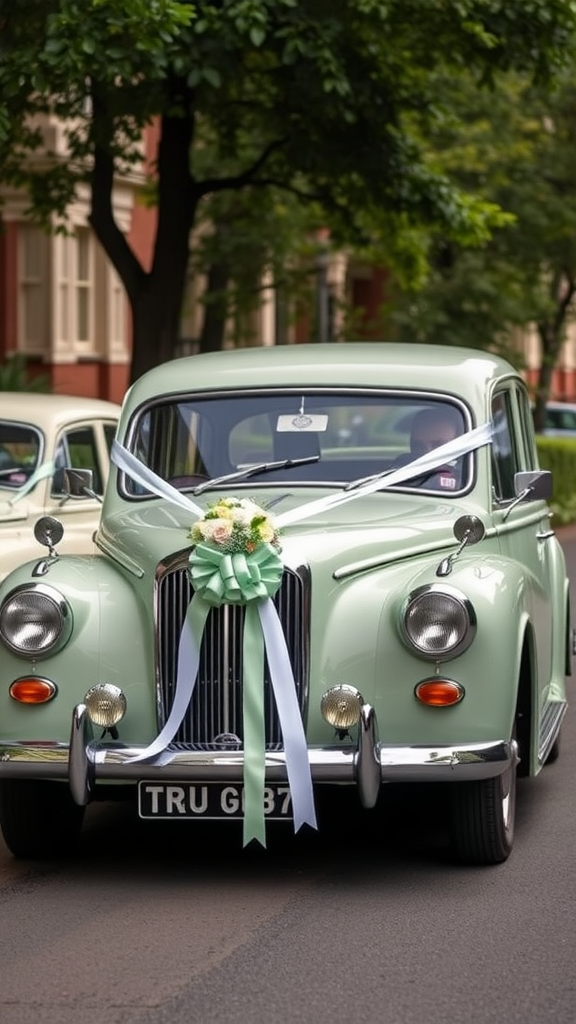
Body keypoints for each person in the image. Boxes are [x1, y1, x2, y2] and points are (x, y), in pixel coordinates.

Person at [395, 406, 464, 490]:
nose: (427, 453)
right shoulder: (399, 471)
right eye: (418, 446)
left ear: (458, 445)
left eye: (438, 445)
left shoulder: (466, 479)